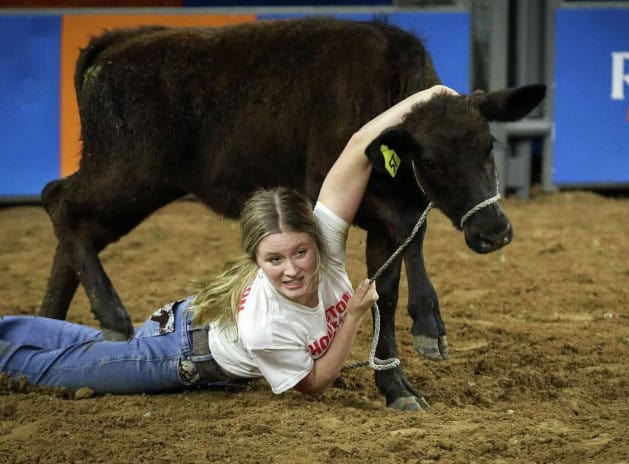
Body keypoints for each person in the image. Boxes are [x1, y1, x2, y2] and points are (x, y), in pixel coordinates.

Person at [0, 85, 457, 396]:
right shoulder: (267, 323)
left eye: (300, 252)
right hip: (176, 356)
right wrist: (354, 318)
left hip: (190, 323)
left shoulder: (329, 245)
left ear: (318, 241)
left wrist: (429, 98)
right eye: (275, 259)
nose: (293, 268)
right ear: (256, 259)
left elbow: (360, 145)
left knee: (84, 347)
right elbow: (314, 383)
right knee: (57, 369)